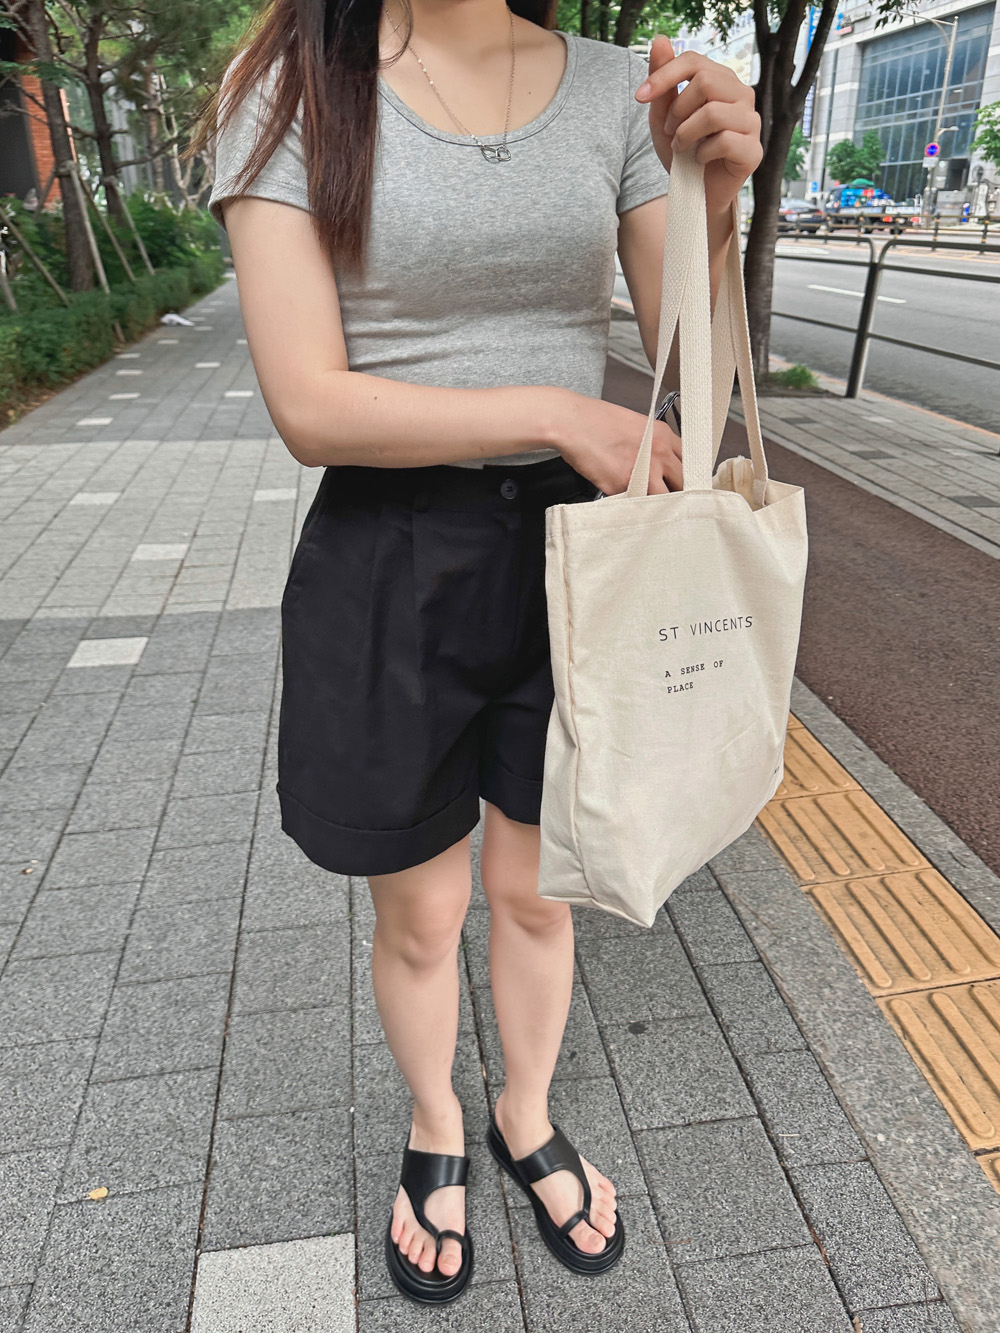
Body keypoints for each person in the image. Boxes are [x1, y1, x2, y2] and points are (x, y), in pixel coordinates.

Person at [198, 0, 761, 1305]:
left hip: (577, 554)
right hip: (394, 552)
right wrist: (558, 408)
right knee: (422, 910)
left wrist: (715, 200)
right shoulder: (291, 88)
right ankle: (435, 1120)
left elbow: (699, 374)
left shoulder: (620, 90)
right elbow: (308, 404)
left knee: (540, 888)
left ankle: (524, 1112)